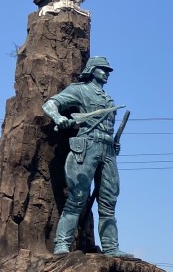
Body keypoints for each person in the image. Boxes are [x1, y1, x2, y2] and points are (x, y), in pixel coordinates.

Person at [42, 56, 130, 257]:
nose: (107, 73)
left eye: (108, 70)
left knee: (109, 200)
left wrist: (114, 143)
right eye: (103, 69)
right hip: (87, 146)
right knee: (78, 197)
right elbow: (49, 105)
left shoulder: (108, 99)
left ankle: (111, 247)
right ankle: (62, 244)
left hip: (107, 150)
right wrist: (58, 117)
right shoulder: (80, 90)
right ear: (92, 69)